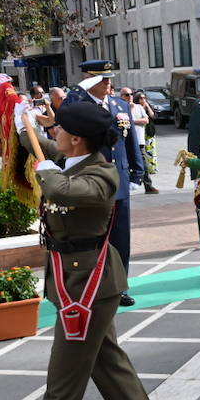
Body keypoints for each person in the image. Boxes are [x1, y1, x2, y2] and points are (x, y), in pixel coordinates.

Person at [0, 102, 171, 400]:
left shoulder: (101, 174)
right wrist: (20, 118)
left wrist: (47, 170)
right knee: (111, 367)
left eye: (61, 129)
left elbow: (62, 189)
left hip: (88, 288)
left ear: (78, 138)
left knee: (62, 388)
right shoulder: (70, 158)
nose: (56, 133)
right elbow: (39, 144)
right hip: (73, 279)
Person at [63, 61, 145, 306]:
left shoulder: (120, 105)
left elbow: (130, 141)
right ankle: (93, 288)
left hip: (119, 179)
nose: (109, 82)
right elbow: (63, 116)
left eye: (109, 78)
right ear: (89, 80)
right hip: (91, 180)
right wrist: (79, 89)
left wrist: (137, 172)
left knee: (120, 238)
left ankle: (119, 288)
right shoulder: (78, 105)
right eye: (102, 78)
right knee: (93, 237)